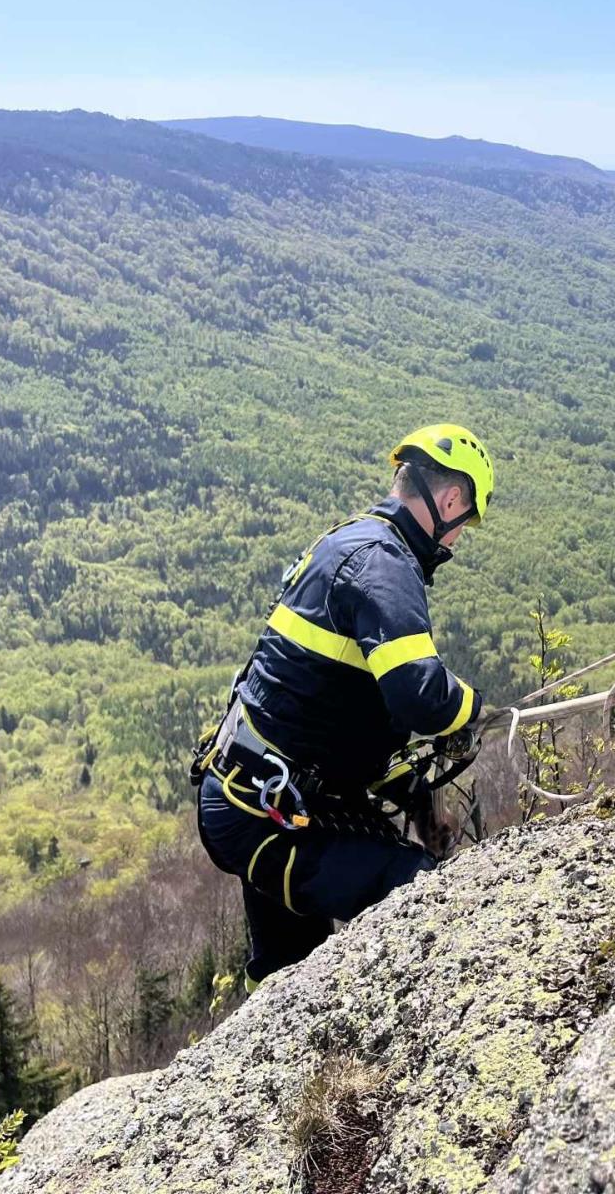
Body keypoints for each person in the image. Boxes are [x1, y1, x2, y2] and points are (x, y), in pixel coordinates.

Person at [193, 425, 495, 993]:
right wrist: (476, 708)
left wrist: (408, 787)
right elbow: (421, 696)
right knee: (426, 893)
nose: (457, 541)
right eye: (465, 523)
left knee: (290, 979)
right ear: (451, 500)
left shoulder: (347, 541)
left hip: (256, 794)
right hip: (272, 814)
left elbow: (337, 708)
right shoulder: (385, 564)